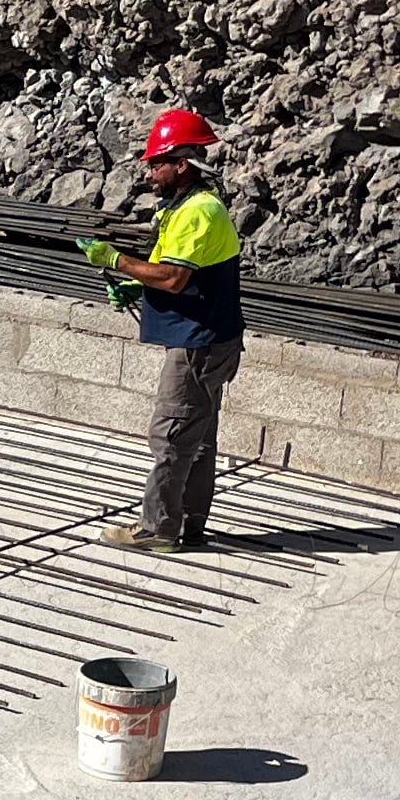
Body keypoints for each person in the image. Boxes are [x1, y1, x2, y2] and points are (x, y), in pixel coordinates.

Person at [89, 106, 244, 553]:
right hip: (213, 338)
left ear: (183, 164)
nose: (151, 172)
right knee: (197, 437)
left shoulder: (198, 211)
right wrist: (139, 290)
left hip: (199, 342)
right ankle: (186, 524)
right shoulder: (187, 208)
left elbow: (174, 278)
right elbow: (181, 275)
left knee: (172, 432)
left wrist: (116, 260)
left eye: (158, 163)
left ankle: (157, 528)